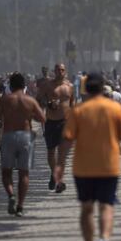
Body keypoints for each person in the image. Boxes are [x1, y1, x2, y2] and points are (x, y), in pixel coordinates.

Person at [55, 73, 121, 241]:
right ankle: (104, 239)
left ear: (86, 90)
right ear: (102, 88)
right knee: (106, 206)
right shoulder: (115, 108)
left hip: (83, 167)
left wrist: (60, 165)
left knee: (86, 208)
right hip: (109, 166)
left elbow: (67, 139)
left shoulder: (78, 110)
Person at [0, 72, 46, 217]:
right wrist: (29, 115)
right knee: (24, 173)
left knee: (6, 172)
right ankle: (20, 205)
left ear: (11, 86)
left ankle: (11, 195)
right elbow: (42, 118)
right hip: (26, 137)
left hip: (8, 136)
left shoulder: (6, 100)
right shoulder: (30, 101)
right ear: (24, 85)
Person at [37, 63, 74, 192]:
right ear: (54, 71)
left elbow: (72, 104)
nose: (60, 72)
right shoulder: (47, 85)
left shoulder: (70, 86)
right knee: (51, 151)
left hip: (65, 122)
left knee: (62, 153)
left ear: (65, 71)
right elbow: (38, 100)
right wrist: (48, 104)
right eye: (58, 70)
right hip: (51, 122)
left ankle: (59, 180)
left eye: (62, 70)